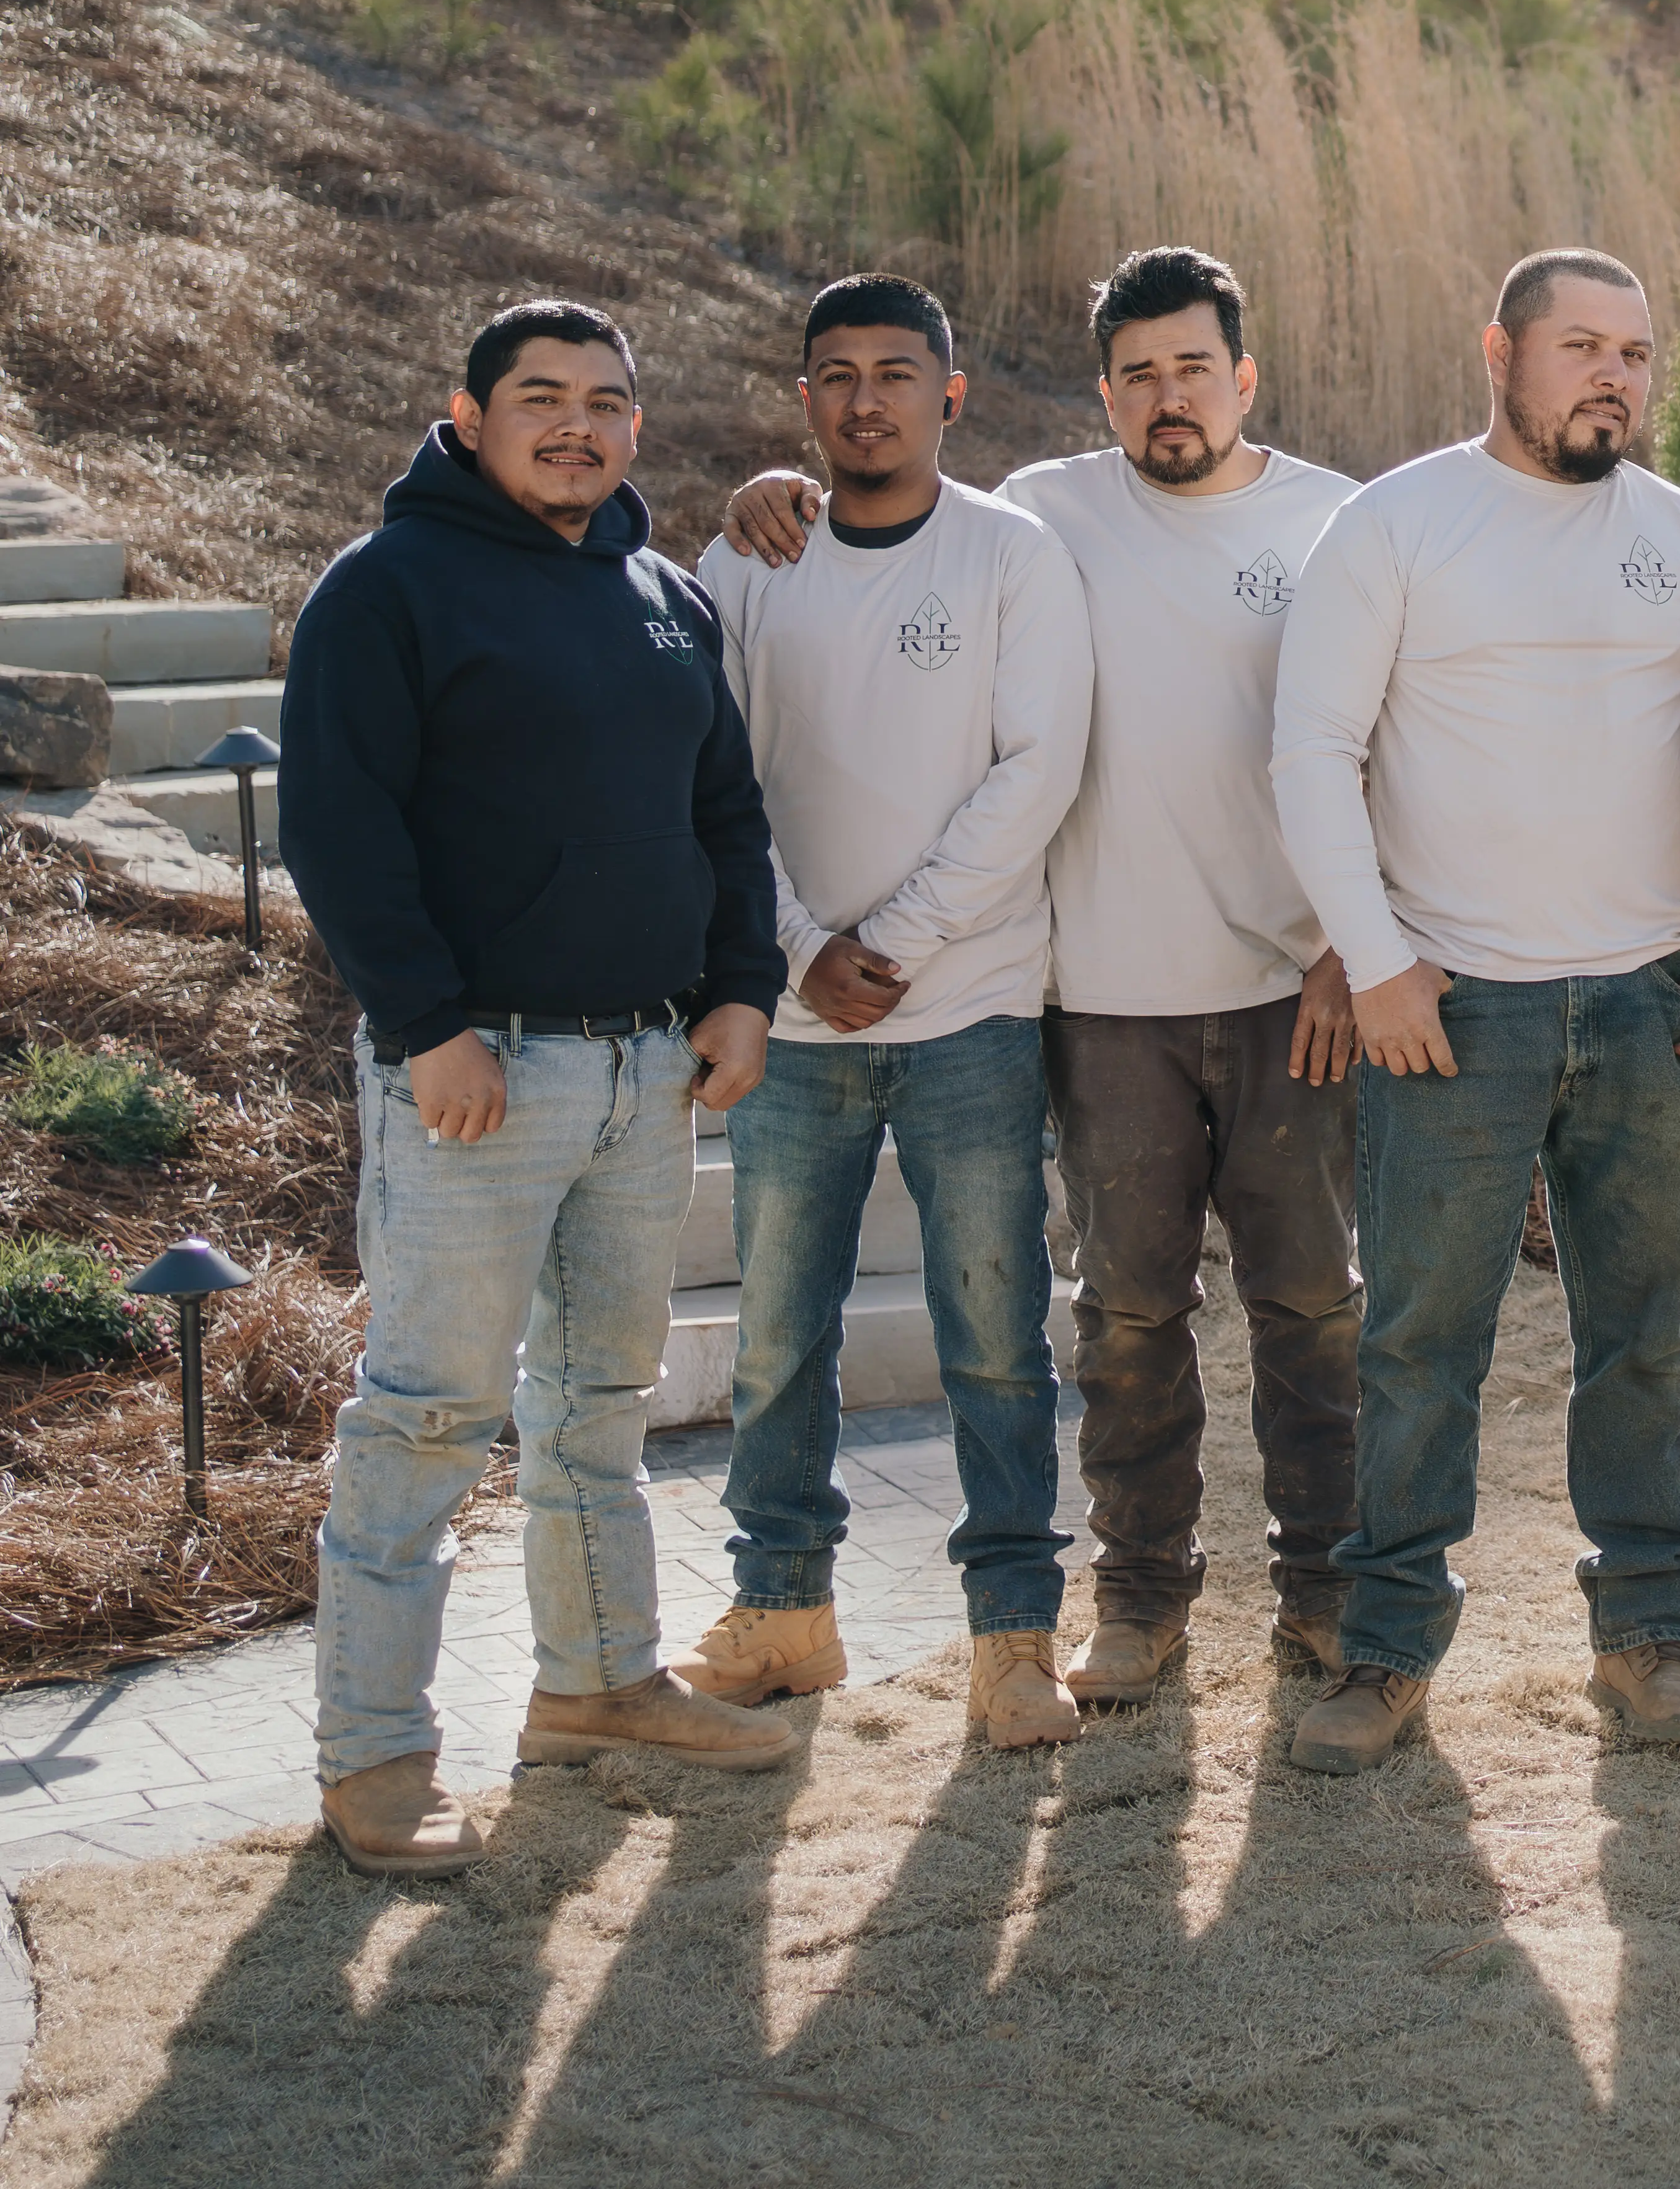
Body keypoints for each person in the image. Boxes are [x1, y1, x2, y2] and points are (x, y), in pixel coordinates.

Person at [719, 247, 1362, 1701]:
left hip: (1291, 992)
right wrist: (778, 487)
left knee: (1313, 1303)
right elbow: (889, 497)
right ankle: (1140, 1597)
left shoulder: (1337, 522)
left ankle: (1328, 1584)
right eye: (1137, 373)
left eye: (1193, 367)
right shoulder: (1045, 516)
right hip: (1103, 997)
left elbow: (1393, 740)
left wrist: (1355, 943)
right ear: (1104, 393)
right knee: (1128, 1316)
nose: (1167, 396)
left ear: (1243, 375)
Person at [278, 303, 798, 1873]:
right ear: (467, 412)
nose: (577, 425)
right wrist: (425, 1021)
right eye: (541, 399)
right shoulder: (386, 590)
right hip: (476, 1077)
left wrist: (739, 988)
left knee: (599, 1406)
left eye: (607, 402)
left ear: (638, 425)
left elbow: (725, 810)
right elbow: (337, 826)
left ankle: (598, 1684)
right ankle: (376, 1751)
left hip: (648, 1068)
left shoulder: (662, 597)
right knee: (429, 1414)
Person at [1269, 249, 1680, 1775]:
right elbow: (1309, 753)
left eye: (1634, 348)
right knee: (1419, 1342)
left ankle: (1649, 1636)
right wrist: (1379, 959)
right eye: (1580, 346)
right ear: (1501, 350)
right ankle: (1387, 1647)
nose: (1613, 374)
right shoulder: (1398, 522)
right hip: (1454, 1009)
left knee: (1647, 1345)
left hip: (1649, 1012)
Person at [679, 274, 1096, 1750]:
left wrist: (895, 943)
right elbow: (711, 783)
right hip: (795, 1031)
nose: (868, 399)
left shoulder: (1011, 557)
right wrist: (802, 952)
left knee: (994, 1339)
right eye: (838, 374)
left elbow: (1035, 772)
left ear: (950, 393)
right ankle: (782, 1613)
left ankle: (1012, 1638)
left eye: (898, 373)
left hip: (969, 1013)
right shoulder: (744, 566)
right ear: (805, 397)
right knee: (778, 1341)